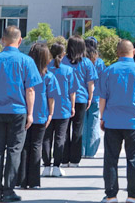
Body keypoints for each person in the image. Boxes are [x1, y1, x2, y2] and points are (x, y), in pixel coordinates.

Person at [0, 26, 42, 203]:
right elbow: (30, 90)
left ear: (2, 40)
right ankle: (8, 191)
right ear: (20, 40)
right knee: (14, 151)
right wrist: (31, 114)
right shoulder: (27, 61)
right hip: (18, 111)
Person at [99, 39, 135, 203]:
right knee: (134, 159)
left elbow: (102, 99)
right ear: (134, 51)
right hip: (134, 122)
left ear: (117, 52)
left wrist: (102, 117)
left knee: (111, 159)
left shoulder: (108, 71)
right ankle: (133, 195)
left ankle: (111, 195)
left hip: (112, 121)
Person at [18, 43, 59, 189]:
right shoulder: (48, 76)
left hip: (24, 112)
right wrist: (51, 114)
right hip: (41, 114)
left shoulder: (24, 73)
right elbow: (51, 97)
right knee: (36, 145)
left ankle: (21, 180)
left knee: (24, 146)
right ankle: (34, 181)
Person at [61, 35, 98, 167]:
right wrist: (90, 97)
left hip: (65, 98)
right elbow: (90, 83)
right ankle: (75, 160)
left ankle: (63, 159)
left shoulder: (63, 60)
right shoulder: (87, 62)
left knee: (64, 129)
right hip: (81, 98)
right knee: (78, 129)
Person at [42, 42, 76, 178]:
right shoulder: (68, 70)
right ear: (63, 54)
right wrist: (72, 106)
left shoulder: (45, 69)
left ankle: (46, 166)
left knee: (46, 138)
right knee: (60, 138)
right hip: (63, 107)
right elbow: (72, 91)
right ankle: (57, 166)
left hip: (46, 108)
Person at [82, 36, 106, 158]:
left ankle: (81, 150)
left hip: (82, 96)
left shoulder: (81, 60)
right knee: (93, 124)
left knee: (82, 124)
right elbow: (102, 80)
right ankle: (91, 152)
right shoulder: (99, 62)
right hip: (96, 96)